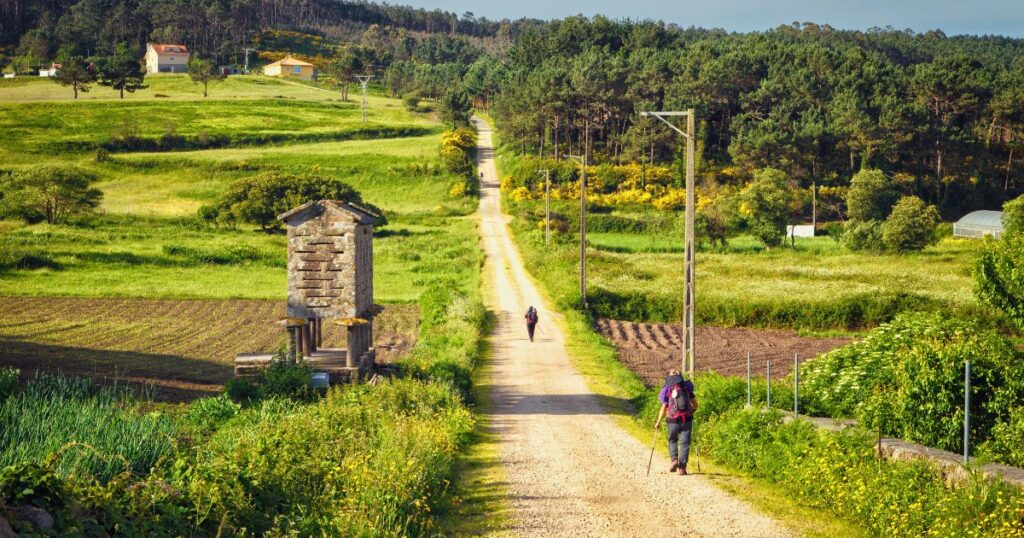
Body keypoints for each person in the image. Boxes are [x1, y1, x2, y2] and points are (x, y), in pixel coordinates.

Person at [654, 370, 697, 475]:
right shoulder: (687, 387)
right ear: (680, 376)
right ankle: (682, 468)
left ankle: (674, 460)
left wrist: (658, 422)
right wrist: (691, 412)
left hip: (672, 420)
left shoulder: (667, 389)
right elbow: (696, 405)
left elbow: (664, 407)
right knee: (684, 443)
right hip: (686, 420)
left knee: (672, 440)